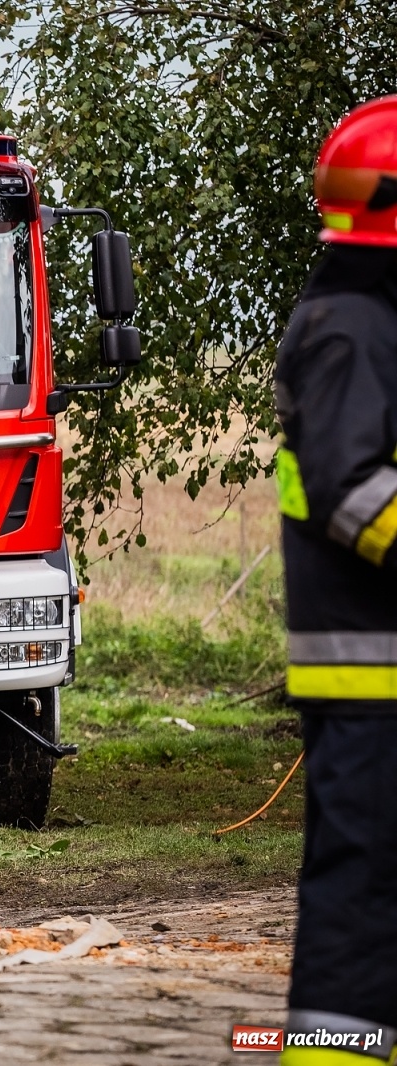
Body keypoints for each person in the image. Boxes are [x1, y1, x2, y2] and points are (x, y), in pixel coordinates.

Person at [273, 96, 397, 1064]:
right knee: (361, 882)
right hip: (367, 678)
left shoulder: (365, 312)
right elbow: (351, 490)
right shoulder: (352, 324)